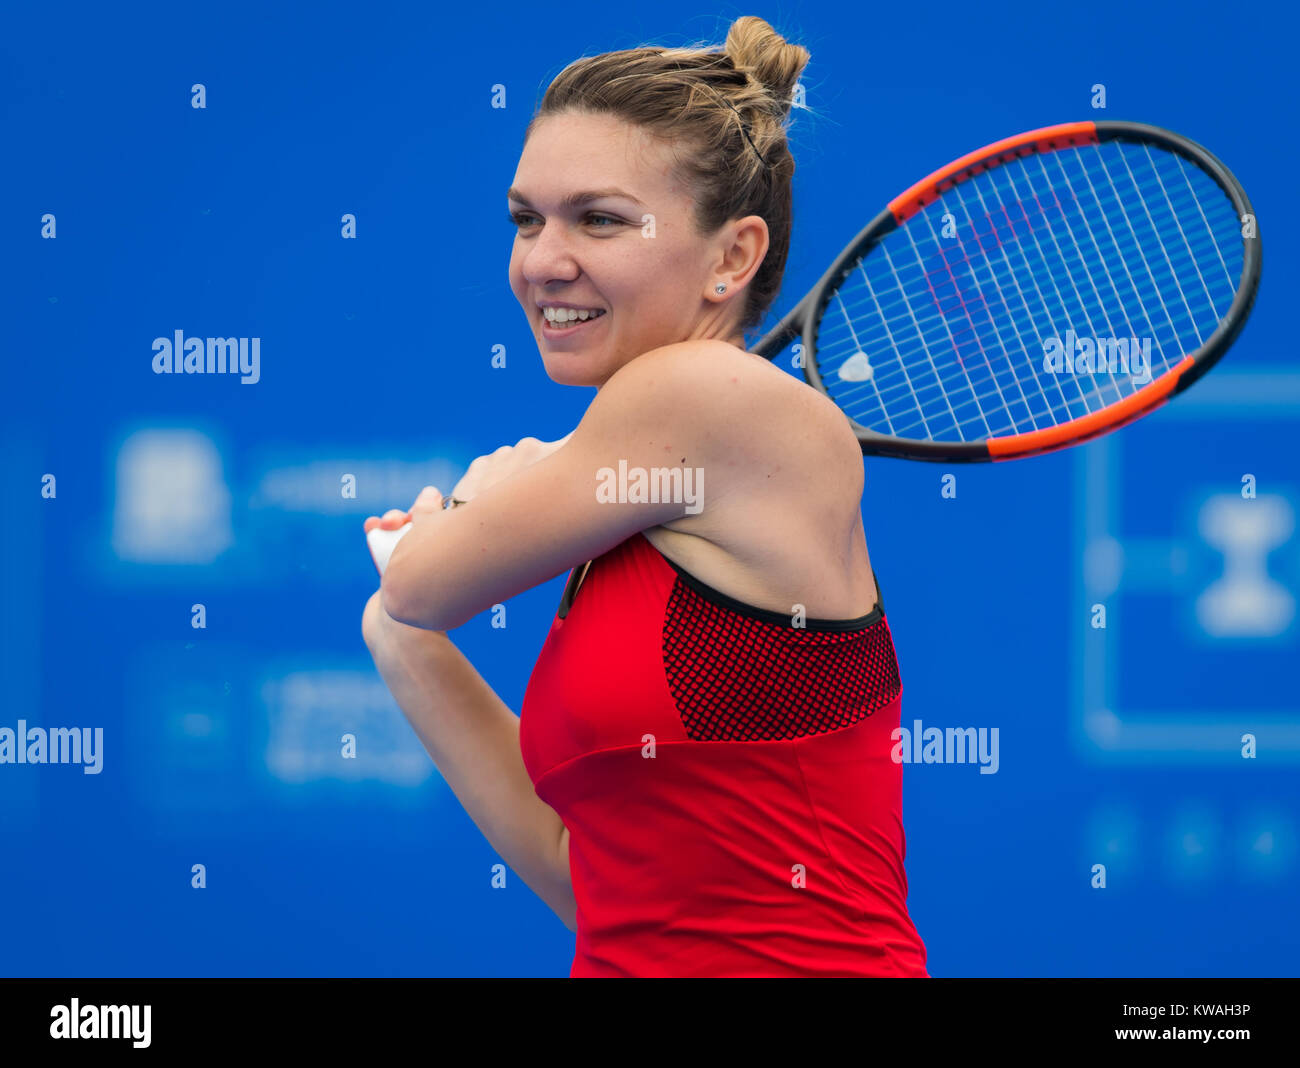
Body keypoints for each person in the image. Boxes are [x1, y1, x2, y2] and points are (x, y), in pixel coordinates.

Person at [362, 14, 928, 977]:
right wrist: (400, 629)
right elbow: (585, 878)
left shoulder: (704, 393)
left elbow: (428, 580)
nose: (542, 259)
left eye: (601, 219)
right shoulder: (639, 502)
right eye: (527, 218)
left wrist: (461, 527)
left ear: (732, 259)